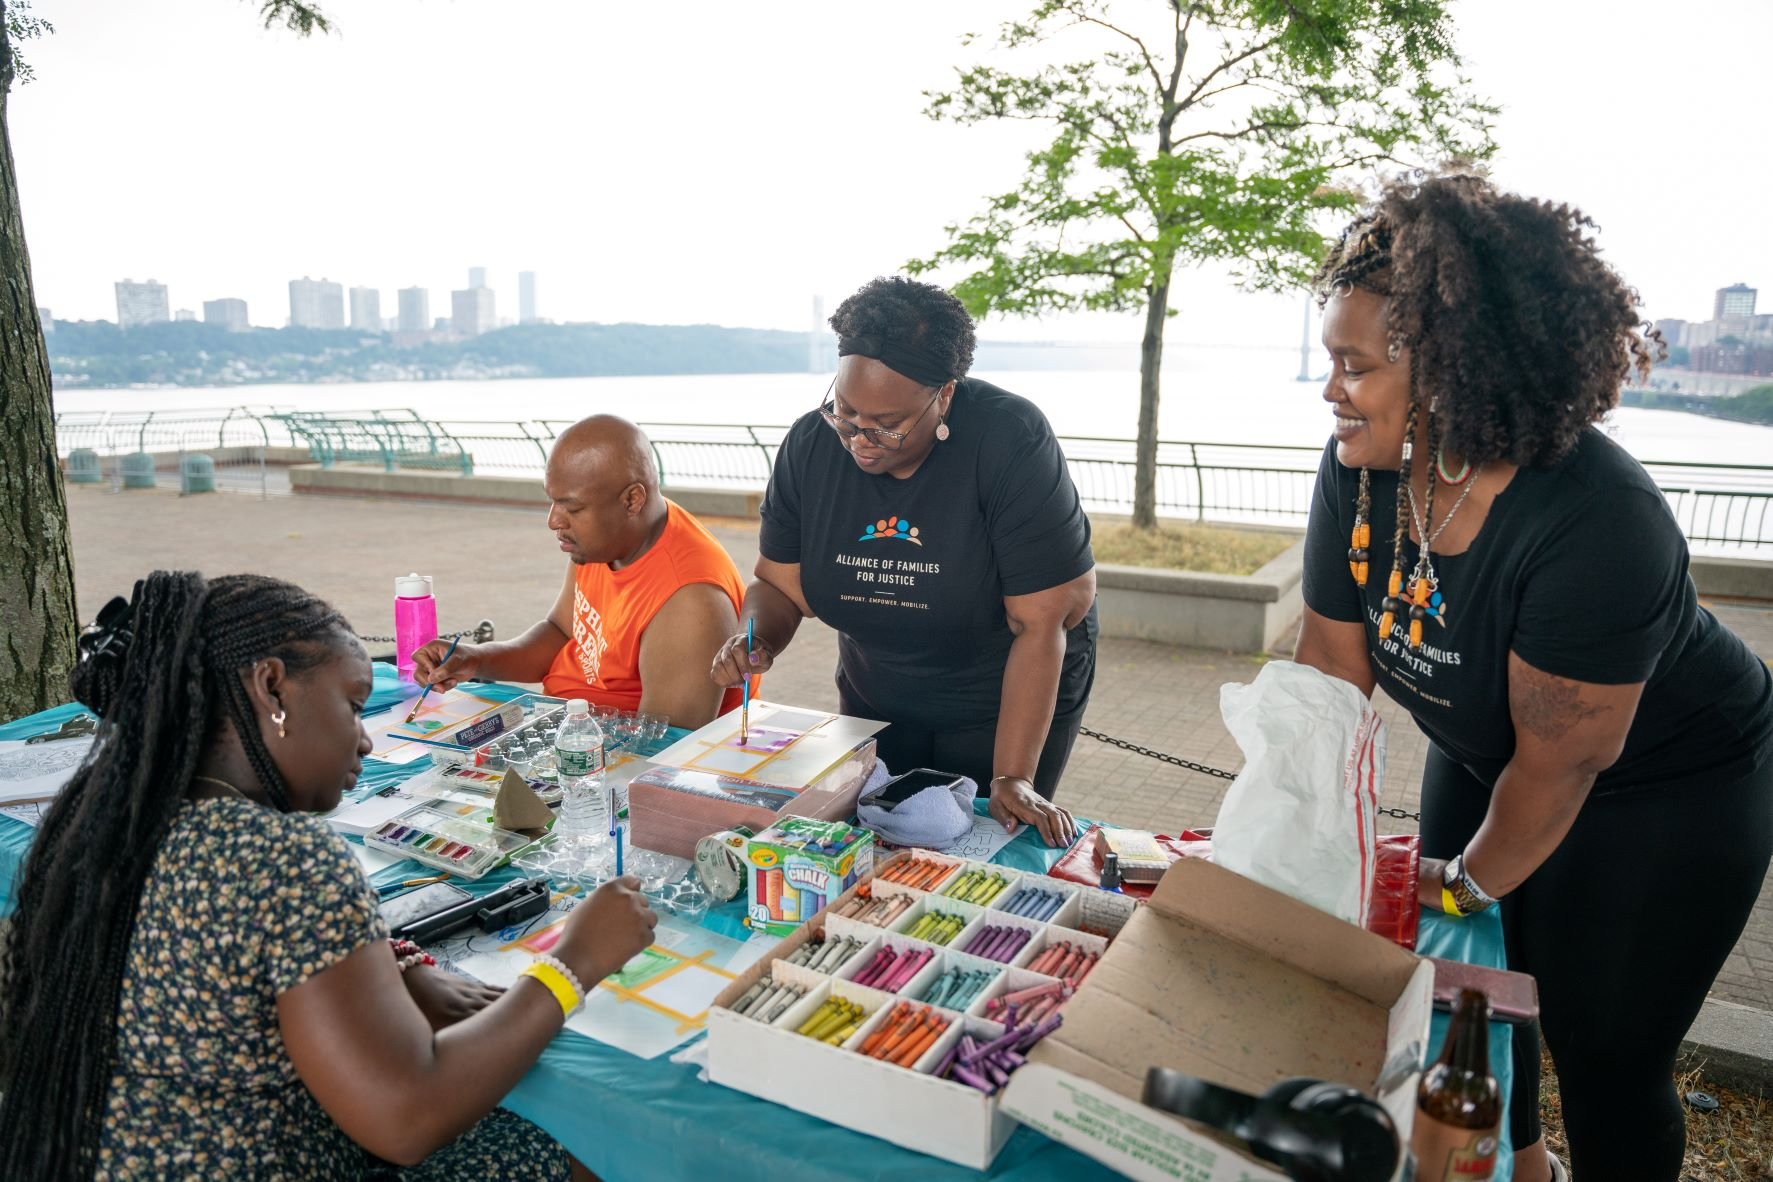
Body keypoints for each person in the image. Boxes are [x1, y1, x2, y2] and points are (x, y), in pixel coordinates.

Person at [1294, 173, 1773, 1182]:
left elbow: (1558, 768)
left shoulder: (1596, 520)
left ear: (1448, 375)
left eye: (1354, 365)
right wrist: (1301, 834)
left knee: (1605, 1047)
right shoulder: (1357, 471)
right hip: (1487, 753)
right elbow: (1331, 674)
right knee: (1469, 994)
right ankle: (1521, 1165)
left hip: (1669, 788)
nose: (1329, 388)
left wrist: (1465, 885)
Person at [0, 572, 658, 1180]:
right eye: (353, 704)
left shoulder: (88, 825)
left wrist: (393, 966)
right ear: (271, 687)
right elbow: (408, 1116)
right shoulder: (285, 860)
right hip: (273, 1160)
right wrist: (573, 963)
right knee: (592, 1155)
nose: (366, 740)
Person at [710, 276, 1097, 847]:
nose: (860, 437)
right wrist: (757, 638)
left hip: (1002, 695)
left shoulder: (1009, 440)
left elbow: (1038, 625)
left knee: (974, 845)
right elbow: (779, 585)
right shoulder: (811, 447)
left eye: (887, 425)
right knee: (875, 835)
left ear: (943, 395)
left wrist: (1012, 774)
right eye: (845, 412)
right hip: (878, 688)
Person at [415, 414, 750, 729]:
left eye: (572, 508)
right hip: (566, 724)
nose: (554, 521)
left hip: (602, 754)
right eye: (553, 502)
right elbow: (559, 634)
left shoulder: (690, 600)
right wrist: (473, 659)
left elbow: (656, 750)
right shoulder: (605, 543)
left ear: (633, 500)